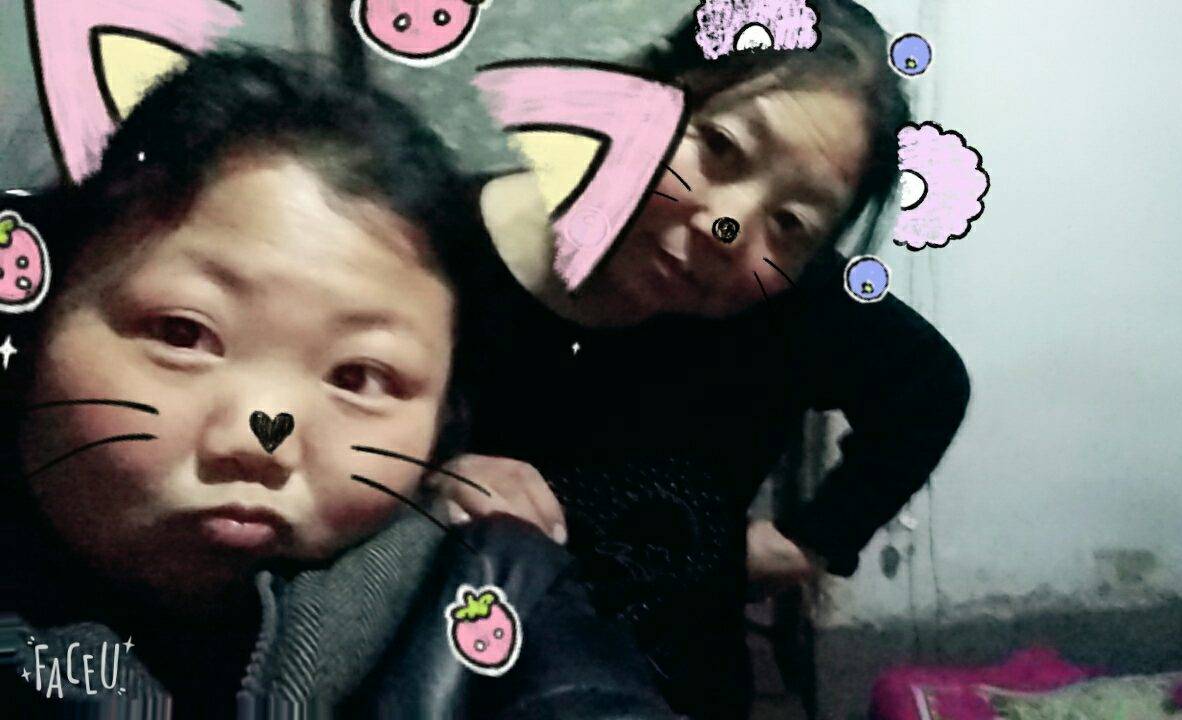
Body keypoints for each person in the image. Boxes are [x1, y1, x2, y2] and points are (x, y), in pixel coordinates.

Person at [0, 49, 676, 718]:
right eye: (182, 334)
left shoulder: (492, 587)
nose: (262, 440)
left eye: (359, 376)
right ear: (35, 323)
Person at [436, 1, 972, 717]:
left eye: (792, 222)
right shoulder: (427, 253)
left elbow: (927, 386)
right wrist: (420, 484)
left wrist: (813, 539)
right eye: (720, 146)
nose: (729, 228)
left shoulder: (788, 304)